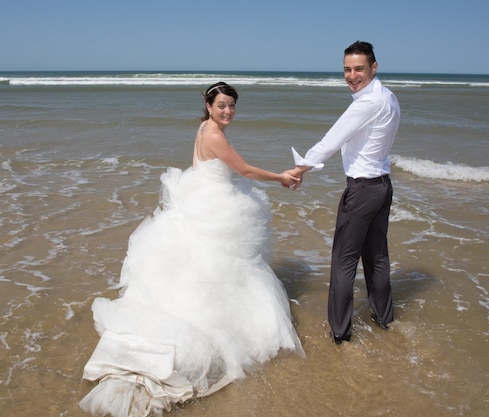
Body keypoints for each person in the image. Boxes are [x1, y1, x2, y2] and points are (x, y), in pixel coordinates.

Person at [80, 82, 304, 417]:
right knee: (218, 266)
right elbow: (243, 170)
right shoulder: (214, 134)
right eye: (221, 106)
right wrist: (282, 177)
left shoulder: (203, 127)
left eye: (231, 105)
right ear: (209, 105)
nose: (227, 111)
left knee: (203, 267)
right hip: (214, 205)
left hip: (202, 198)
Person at [286, 41, 400, 344]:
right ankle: (384, 318)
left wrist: (300, 169)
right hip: (382, 187)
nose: (352, 75)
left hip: (362, 190)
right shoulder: (388, 97)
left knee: (343, 262)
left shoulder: (366, 103)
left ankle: (340, 333)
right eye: (347, 69)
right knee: (377, 257)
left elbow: (331, 141)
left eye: (359, 68)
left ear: (374, 68)